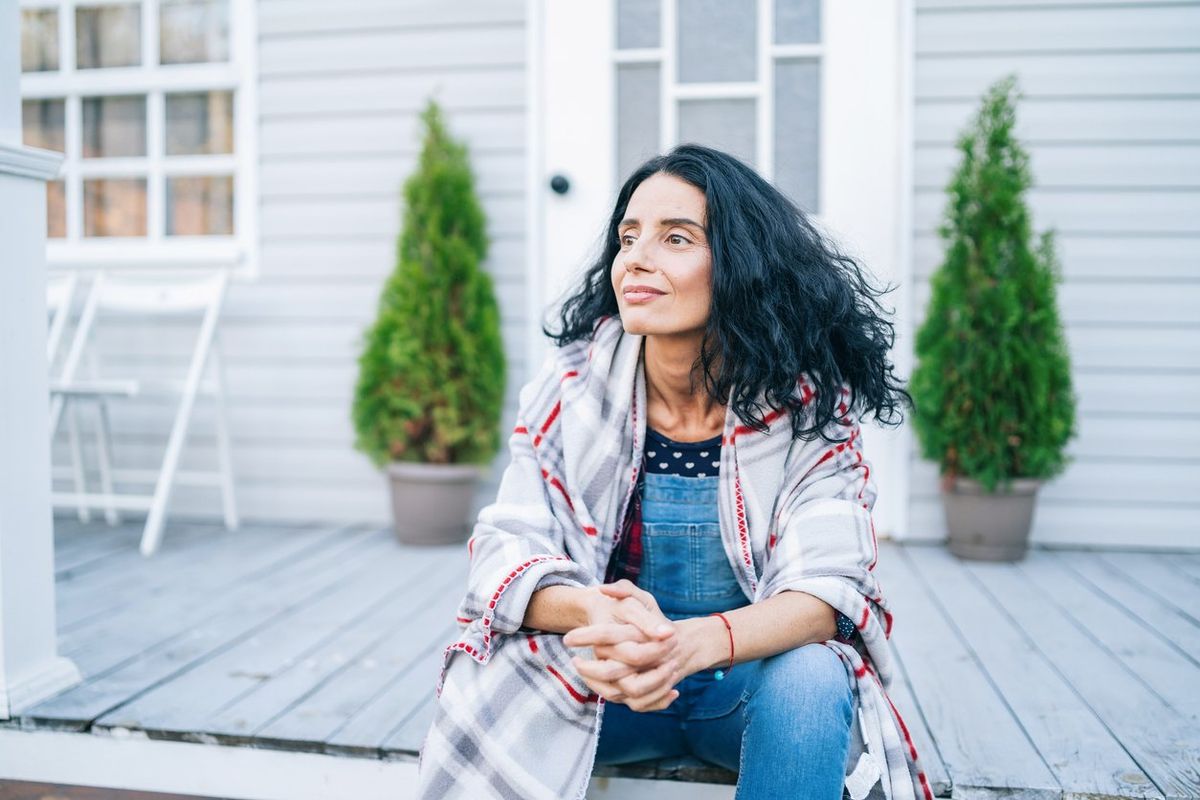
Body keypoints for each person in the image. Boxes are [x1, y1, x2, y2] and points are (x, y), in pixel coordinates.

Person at [415, 144, 931, 800]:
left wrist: (692, 645)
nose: (636, 258)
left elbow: (829, 590)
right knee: (496, 668)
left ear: (741, 265)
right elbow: (502, 554)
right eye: (629, 237)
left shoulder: (804, 409)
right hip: (608, 685)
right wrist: (592, 610)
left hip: (740, 689)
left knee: (811, 678)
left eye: (676, 237)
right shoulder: (571, 389)